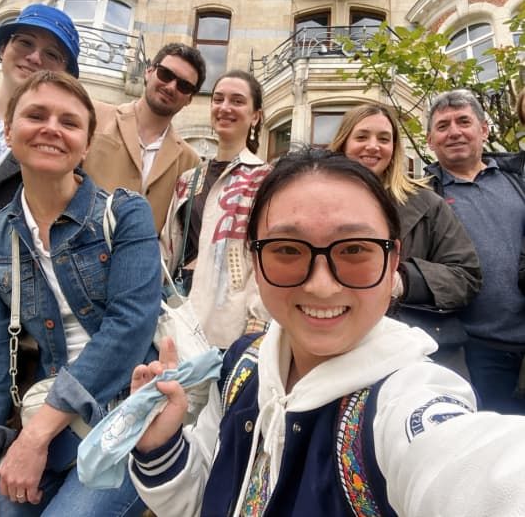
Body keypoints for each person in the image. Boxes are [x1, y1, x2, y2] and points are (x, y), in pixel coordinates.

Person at [128, 149, 525, 517]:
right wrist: (160, 446)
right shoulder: (242, 367)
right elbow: (203, 495)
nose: (321, 286)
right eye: (287, 249)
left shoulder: (401, 402)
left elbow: (480, 471)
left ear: (393, 262)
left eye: (354, 250)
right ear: (254, 258)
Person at [0, 71, 162, 516]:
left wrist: (34, 437)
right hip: (50, 424)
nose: (51, 129)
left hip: (126, 418)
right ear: (9, 130)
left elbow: (129, 330)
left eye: (69, 121)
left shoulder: (126, 213)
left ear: (86, 143)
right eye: (36, 115)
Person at [330, 103, 481, 374]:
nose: (373, 146)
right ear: (343, 143)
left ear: (394, 148)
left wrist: (403, 280)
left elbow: (466, 276)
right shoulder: (316, 203)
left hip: (417, 354)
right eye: (362, 136)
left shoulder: (427, 204)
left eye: (383, 138)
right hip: (335, 347)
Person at [425, 89, 525, 414]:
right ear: (430, 141)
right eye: (443, 126)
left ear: (484, 129)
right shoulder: (422, 197)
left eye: (464, 121)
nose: (454, 132)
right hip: (473, 350)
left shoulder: (517, 181)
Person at [160, 69, 271, 349]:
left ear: (255, 116)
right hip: (181, 310)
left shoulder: (265, 178)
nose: (225, 107)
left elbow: (269, 255)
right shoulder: (189, 179)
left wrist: (257, 323)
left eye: (237, 101)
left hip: (231, 322)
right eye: (218, 99)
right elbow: (168, 245)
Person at [0, 3, 79, 228]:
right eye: (25, 42)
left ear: (65, 75)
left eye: (51, 54)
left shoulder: (63, 145)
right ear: (3, 48)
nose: (34, 57)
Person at [84, 43, 205, 232]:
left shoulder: (190, 161)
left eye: (184, 86)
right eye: (166, 74)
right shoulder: (95, 115)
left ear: (189, 98)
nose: (171, 87)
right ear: (149, 72)